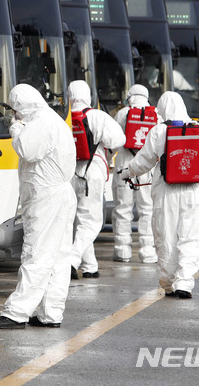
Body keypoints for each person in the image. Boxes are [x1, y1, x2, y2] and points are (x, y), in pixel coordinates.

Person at [0, 84, 76, 329]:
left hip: (46, 199)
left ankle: (17, 313)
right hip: (58, 196)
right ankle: (51, 314)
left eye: (16, 109)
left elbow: (26, 149)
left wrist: (15, 126)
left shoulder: (42, 123)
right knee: (58, 257)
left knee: (36, 253)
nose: (15, 114)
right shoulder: (52, 120)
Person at [123, 91, 199, 299]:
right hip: (194, 191)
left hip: (166, 192)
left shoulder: (158, 131)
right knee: (191, 236)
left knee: (165, 235)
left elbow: (143, 161)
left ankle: (168, 282)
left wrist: (128, 172)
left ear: (162, 108)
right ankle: (185, 283)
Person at [69, 80, 126, 278]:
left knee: (80, 220)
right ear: (88, 95)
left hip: (71, 174)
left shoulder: (66, 117)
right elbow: (119, 139)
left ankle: (90, 266)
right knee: (92, 222)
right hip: (92, 173)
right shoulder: (96, 116)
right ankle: (72, 260)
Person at [112, 84, 158, 264]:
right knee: (147, 209)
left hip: (125, 167)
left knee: (123, 208)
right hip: (147, 168)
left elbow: (114, 140)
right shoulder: (156, 115)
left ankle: (122, 250)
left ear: (129, 96)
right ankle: (147, 250)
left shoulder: (123, 113)